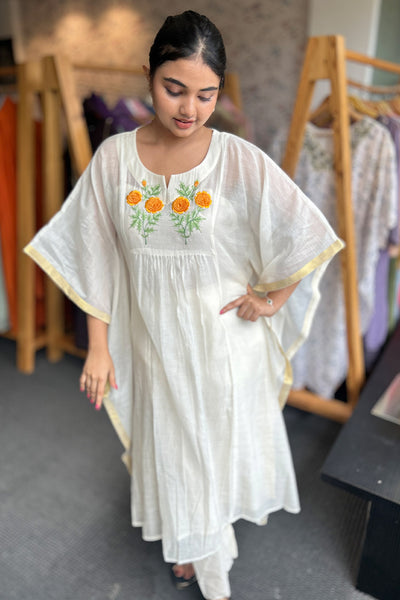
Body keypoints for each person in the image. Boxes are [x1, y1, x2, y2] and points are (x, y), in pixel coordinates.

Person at [24, 10, 343, 600]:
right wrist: (98, 347)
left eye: (206, 94)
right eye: (174, 89)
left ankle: (204, 560)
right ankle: (193, 544)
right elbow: (95, 253)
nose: (189, 109)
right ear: (147, 75)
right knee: (172, 447)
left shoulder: (236, 158)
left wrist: (273, 300)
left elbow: (303, 230)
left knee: (205, 451)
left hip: (223, 343)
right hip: (151, 339)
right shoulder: (113, 159)